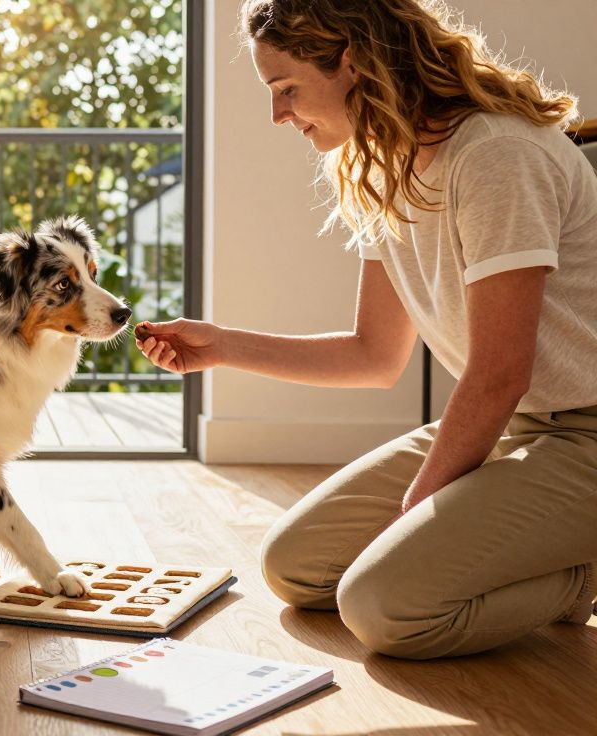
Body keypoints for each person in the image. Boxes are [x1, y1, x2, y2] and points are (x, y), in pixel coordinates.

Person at [135, 0, 597, 659]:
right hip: (516, 426)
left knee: (382, 605)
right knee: (297, 567)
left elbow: (500, 374)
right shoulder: (385, 165)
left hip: (584, 433)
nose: (278, 114)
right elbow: (376, 355)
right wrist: (224, 346)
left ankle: (581, 579)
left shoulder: (495, 154)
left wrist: (420, 507)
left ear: (351, 60)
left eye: (286, 89)